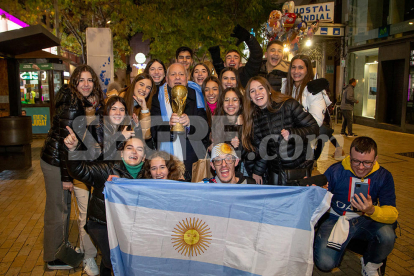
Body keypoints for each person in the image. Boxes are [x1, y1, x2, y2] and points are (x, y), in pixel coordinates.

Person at [40, 65, 103, 273]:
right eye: (80, 80)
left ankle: (60, 248)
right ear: (74, 83)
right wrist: (67, 177)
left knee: (63, 208)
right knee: (58, 210)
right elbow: (65, 143)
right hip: (56, 162)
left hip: (58, 161)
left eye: (89, 80)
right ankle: (52, 257)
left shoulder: (79, 102)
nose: (85, 84)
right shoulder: (72, 104)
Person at [314, 136, 398, 276]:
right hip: (336, 218)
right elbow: (319, 199)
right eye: (356, 161)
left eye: (367, 163)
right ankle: (335, 253)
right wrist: (315, 189)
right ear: (349, 156)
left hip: (367, 220)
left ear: (375, 159)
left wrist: (372, 210)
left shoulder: (383, 176)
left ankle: (370, 264)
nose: (360, 167)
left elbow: (392, 213)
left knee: (387, 236)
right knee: (325, 264)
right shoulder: (336, 171)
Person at [65, 134, 146, 276]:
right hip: (103, 224)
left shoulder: (148, 174)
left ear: (144, 157)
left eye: (139, 149)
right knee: (112, 260)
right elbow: (78, 170)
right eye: (129, 147)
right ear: (121, 153)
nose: (134, 152)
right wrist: (73, 150)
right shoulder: (106, 169)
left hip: (131, 225)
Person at [242, 76, 319, 185]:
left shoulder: (289, 105)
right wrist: (257, 171)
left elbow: (314, 128)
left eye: (261, 88)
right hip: (275, 173)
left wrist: (292, 134)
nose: (257, 93)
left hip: (298, 169)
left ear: (268, 90)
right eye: (252, 91)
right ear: (249, 97)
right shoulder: (254, 119)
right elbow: (263, 150)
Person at [150, 63, 209, 176]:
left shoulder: (196, 95)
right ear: (167, 79)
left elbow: (204, 126)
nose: (177, 77)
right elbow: (154, 130)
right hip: (167, 161)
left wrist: (190, 122)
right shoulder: (158, 97)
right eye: (173, 74)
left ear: (186, 79)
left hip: (193, 160)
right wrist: (169, 126)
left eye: (181, 74)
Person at [119, 73, 156, 142]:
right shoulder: (120, 100)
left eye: (148, 88)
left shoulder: (148, 106)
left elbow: (146, 136)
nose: (144, 89)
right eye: (141, 85)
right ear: (134, 84)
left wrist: (144, 108)